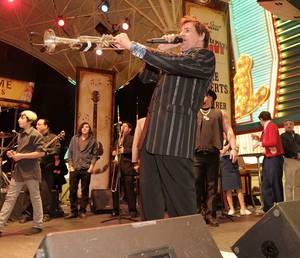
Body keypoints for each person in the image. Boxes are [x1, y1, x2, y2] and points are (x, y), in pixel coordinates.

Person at [114, 16, 216, 220]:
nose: (181, 34)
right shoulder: (174, 60)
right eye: (181, 30)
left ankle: (191, 247)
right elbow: (145, 78)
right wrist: (161, 48)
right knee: (150, 202)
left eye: (187, 30)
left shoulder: (204, 57)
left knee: (182, 204)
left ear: (201, 35)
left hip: (174, 139)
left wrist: (133, 46)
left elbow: (176, 64)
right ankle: (154, 245)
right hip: (152, 139)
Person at [193, 89, 238, 226]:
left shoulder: (219, 113)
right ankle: (197, 214)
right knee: (196, 185)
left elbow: (229, 130)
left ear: (211, 98)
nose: (203, 98)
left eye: (205, 95)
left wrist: (233, 148)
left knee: (212, 185)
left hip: (213, 154)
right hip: (196, 155)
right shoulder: (194, 113)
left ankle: (211, 215)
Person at [0, 110, 45, 236]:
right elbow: (21, 153)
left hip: (31, 172)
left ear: (29, 121)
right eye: (20, 117)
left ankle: (38, 225)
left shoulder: (36, 134)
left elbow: (41, 153)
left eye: (22, 117)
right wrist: (13, 154)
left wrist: (21, 156)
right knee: (10, 198)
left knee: (35, 198)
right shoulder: (21, 134)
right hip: (19, 171)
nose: (19, 119)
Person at [252, 111, 284, 212]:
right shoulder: (268, 127)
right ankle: (269, 208)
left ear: (261, 119)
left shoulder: (271, 126)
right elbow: (268, 140)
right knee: (266, 183)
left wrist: (259, 143)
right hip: (269, 158)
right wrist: (259, 139)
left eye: (260, 121)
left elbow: (273, 142)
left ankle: (278, 206)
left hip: (274, 159)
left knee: (274, 183)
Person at [65, 122, 98, 219]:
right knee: (72, 190)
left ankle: (82, 211)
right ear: (80, 128)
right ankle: (73, 211)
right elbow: (70, 152)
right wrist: (70, 166)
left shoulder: (92, 140)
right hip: (74, 168)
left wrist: (91, 167)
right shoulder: (74, 138)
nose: (84, 128)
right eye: (83, 127)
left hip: (86, 169)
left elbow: (95, 155)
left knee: (84, 190)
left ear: (89, 129)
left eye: (87, 127)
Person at [220, 133, 251, 216]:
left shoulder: (234, 143)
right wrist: (228, 145)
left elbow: (236, 150)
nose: (225, 135)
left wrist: (231, 145)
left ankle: (243, 208)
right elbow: (221, 152)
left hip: (233, 164)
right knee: (228, 188)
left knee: (238, 187)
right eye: (223, 134)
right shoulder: (219, 142)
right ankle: (232, 208)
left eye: (226, 134)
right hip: (224, 165)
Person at [112, 122, 137, 218]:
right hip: (117, 167)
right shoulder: (118, 139)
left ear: (130, 129)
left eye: (125, 126)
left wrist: (125, 150)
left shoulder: (132, 138)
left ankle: (132, 210)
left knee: (129, 190)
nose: (123, 127)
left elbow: (135, 150)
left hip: (127, 167)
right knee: (115, 190)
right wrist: (114, 152)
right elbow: (115, 151)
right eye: (122, 126)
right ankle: (115, 210)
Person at [280, 119, 300, 201]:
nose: (289, 125)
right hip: (289, 160)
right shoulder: (282, 136)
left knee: (298, 184)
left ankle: (297, 203)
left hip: (299, 161)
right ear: (284, 126)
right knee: (289, 184)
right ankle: (289, 203)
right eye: (286, 124)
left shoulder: (297, 136)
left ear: (293, 125)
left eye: (291, 124)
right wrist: (296, 154)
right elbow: (286, 148)